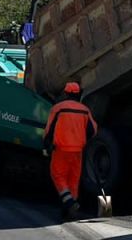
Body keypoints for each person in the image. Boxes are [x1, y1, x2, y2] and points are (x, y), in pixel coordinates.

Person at [42, 81, 97, 220]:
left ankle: (70, 203)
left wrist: (46, 144)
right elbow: (93, 130)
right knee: (73, 180)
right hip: (77, 150)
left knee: (58, 175)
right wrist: (82, 139)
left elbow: (49, 130)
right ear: (78, 94)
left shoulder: (58, 108)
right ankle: (69, 211)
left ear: (66, 94)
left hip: (61, 149)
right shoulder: (84, 110)